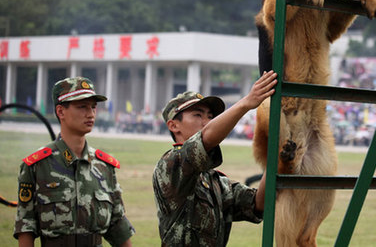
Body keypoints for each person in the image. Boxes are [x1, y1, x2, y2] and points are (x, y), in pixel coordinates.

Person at [153, 70, 277, 246]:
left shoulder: (216, 182)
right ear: (173, 125)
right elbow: (207, 138)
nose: (207, 121)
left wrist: (275, 157)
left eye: (210, 117)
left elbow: (258, 203)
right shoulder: (170, 164)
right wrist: (246, 103)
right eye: (198, 115)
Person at [14, 77, 135, 247]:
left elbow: (118, 226)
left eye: (93, 107)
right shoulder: (36, 166)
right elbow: (26, 228)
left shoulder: (104, 167)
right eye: (82, 107)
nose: (90, 113)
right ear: (61, 111)